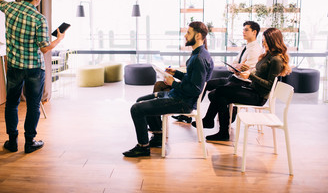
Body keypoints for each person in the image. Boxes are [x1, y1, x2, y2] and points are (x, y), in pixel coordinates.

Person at [122, 21, 214, 157]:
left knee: (136, 109)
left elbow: (195, 89)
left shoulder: (199, 58)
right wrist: (175, 73)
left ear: (198, 36)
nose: (185, 36)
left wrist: (173, 83)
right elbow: (191, 79)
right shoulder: (199, 54)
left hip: (182, 102)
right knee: (140, 100)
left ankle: (143, 146)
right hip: (178, 96)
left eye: (188, 33)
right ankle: (158, 136)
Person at [0, 0, 66, 153]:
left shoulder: (10, 8)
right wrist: (59, 39)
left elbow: (0, 4)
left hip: (14, 66)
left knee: (11, 104)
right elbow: (44, 48)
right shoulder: (39, 19)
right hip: (34, 68)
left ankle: (12, 142)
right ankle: (30, 142)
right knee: (33, 105)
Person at [204, 28, 291, 141]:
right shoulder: (268, 55)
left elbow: (270, 85)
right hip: (252, 89)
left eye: (265, 41)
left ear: (273, 41)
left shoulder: (276, 60)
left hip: (258, 97)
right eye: (263, 40)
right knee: (220, 95)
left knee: (220, 91)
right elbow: (260, 73)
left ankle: (212, 123)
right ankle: (221, 131)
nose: (263, 43)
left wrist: (250, 76)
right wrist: (248, 70)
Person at [188, 21, 262, 128]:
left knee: (215, 94)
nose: (243, 32)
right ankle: (192, 108)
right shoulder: (246, 47)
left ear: (254, 32)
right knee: (207, 84)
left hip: (242, 82)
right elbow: (235, 63)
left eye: (246, 30)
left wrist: (237, 68)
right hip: (233, 77)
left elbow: (246, 70)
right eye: (243, 29)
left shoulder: (255, 49)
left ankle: (218, 117)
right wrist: (236, 67)